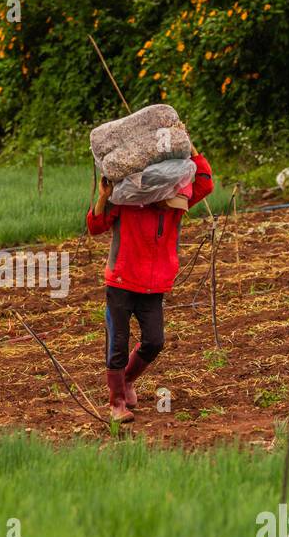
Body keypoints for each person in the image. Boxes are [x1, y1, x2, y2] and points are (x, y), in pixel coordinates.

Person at [86, 147, 214, 420]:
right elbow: (95, 226)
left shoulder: (174, 205)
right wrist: (103, 197)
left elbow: (204, 182)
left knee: (154, 341)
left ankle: (128, 380)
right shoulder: (127, 200)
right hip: (121, 280)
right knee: (117, 343)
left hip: (153, 284)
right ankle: (116, 403)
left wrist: (191, 150)